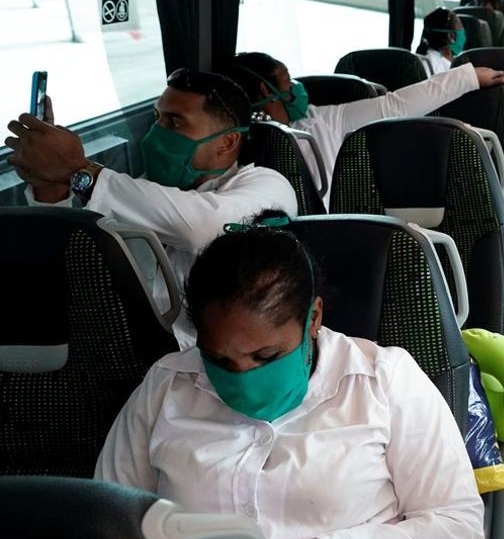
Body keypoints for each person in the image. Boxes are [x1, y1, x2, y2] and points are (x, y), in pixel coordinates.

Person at [95, 220, 484, 539]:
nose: (244, 377)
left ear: (312, 318)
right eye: (220, 361)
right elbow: (110, 522)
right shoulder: (166, 387)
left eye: (266, 356)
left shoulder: (383, 381)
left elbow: (456, 526)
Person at [4, 69, 297, 348]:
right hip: (118, 356)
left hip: (205, 365)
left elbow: (202, 227)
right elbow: (72, 267)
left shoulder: (268, 185)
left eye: (175, 122)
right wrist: (51, 186)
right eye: (157, 118)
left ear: (227, 142)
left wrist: (77, 170)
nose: (157, 132)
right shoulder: (136, 192)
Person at [224, 44, 504, 201]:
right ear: (265, 91)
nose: (296, 86)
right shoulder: (230, 152)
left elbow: (395, 105)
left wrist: (466, 78)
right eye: (287, 78)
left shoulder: (323, 118)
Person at [414, 8, 468, 77]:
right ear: (451, 37)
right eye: (461, 27)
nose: (463, 30)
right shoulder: (431, 66)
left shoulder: (456, 61)